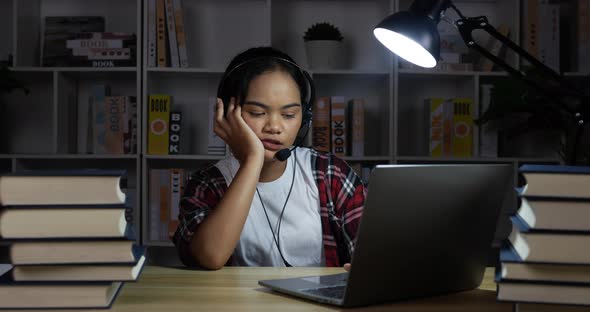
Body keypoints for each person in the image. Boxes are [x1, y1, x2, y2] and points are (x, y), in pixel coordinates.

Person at [172, 47, 366, 270]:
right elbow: (209, 257)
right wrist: (253, 159)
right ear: (226, 114)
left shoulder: (329, 173)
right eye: (257, 113)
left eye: (289, 115)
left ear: (305, 118)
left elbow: (371, 250)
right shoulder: (208, 183)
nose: (274, 127)